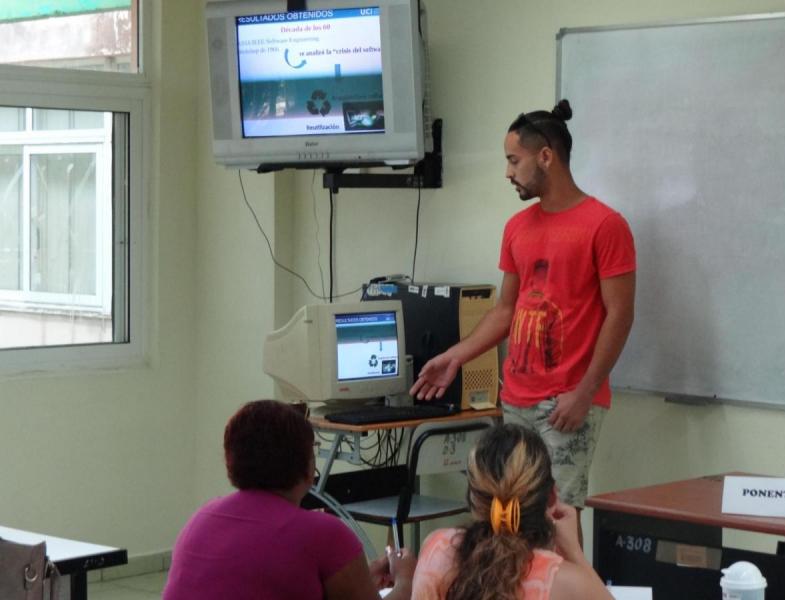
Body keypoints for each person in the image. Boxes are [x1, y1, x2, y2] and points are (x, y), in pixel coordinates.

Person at [409, 100, 636, 540]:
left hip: (567, 402)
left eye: (514, 160)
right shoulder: (517, 226)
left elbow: (620, 315)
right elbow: (505, 311)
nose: (508, 172)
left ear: (545, 157)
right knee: (506, 520)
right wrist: (455, 357)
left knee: (559, 521)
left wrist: (585, 392)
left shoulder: (605, 225)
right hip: (516, 400)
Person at [162, 399, 416, 600]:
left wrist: (363, 574)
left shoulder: (202, 519)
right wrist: (406, 580)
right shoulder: (325, 535)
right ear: (308, 467)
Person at [410, 423, 613, 600]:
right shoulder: (567, 583)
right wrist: (575, 552)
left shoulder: (436, 548)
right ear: (551, 498)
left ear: (473, 499)